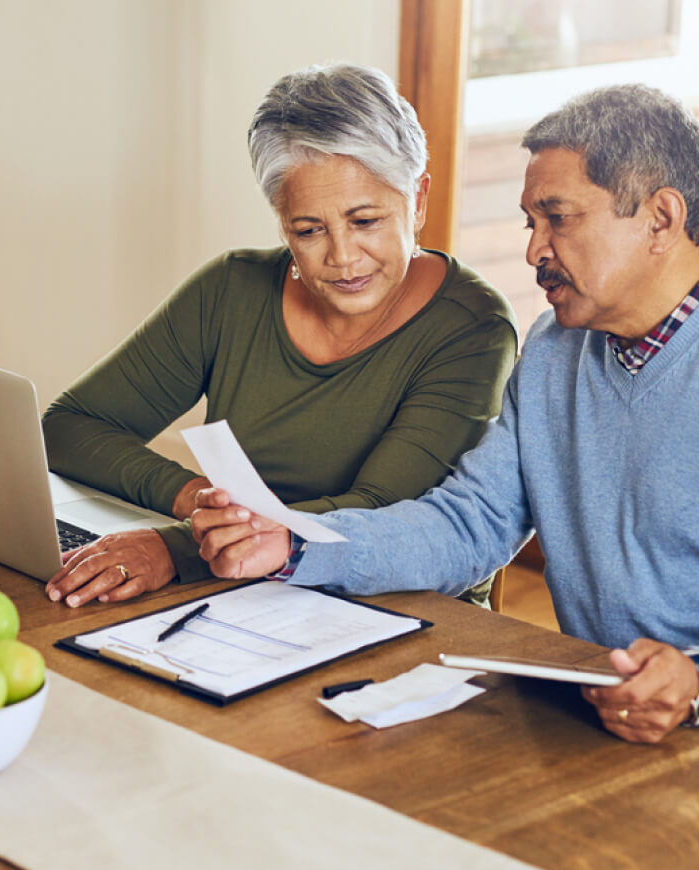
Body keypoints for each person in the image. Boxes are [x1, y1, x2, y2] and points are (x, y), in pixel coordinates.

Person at [191, 83, 699, 745]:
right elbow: (470, 524)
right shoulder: (555, 352)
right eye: (530, 223)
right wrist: (293, 544)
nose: (534, 251)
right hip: (608, 727)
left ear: (661, 219)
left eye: (559, 218)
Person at [41, 63, 517, 609]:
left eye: (365, 222)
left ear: (419, 200)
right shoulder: (232, 289)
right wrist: (199, 503)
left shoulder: (472, 328)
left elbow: (383, 512)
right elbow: (70, 427)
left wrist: (178, 549)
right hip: (242, 597)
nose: (342, 257)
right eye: (308, 230)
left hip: (397, 610)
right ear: (281, 220)